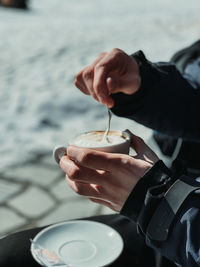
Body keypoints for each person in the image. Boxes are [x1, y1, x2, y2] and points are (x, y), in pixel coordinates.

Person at [1, 40, 200, 267]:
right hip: (176, 219)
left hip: (183, 230)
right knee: (10, 256)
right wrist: (144, 86)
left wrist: (162, 205)